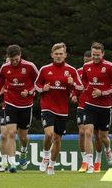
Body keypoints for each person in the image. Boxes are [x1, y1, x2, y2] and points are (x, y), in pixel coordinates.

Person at [35, 43, 83, 175]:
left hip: (62, 109)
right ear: (52, 55)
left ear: (65, 55)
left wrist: (72, 83)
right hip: (47, 106)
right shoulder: (45, 69)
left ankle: (51, 165)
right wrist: (42, 89)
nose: (58, 56)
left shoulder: (71, 70)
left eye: (61, 54)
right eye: (56, 54)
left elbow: (81, 87)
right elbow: (36, 84)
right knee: (49, 134)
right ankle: (45, 156)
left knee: (57, 139)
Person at [0, 45, 39, 173]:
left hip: (26, 105)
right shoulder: (5, 67)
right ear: (8, 58)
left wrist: (29, 92)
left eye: (16, 59)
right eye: (11, 60)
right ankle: (12, 163)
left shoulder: (29, 66)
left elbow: (39, 82)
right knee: (11, 133)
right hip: (10, 103)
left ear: (20, 55)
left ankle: (23, 152)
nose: (14, 62)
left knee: (23, 137)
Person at [82, 42, 112, 173]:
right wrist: (86, 89)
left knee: (103, 137)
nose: (95, 57)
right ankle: (90, 164)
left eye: (98, 55)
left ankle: (108, 150)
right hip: (89, 105)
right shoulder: (86, 66)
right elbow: (84, 82)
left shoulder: (110, 66)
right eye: (93, 55)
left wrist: (103, 92)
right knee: (88, 133)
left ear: (103, 54)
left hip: (105, 106)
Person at [72, 51, 104, 173]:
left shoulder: (100, 70)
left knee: (98, 135)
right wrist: (74, 95)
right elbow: (75, 86)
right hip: (82, 106)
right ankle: (85, 161)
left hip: (96, 105)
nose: (87, 63)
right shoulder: (79, 71)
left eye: (89, 60)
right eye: (85, 61)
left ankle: (98, 161)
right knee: (83, 132)